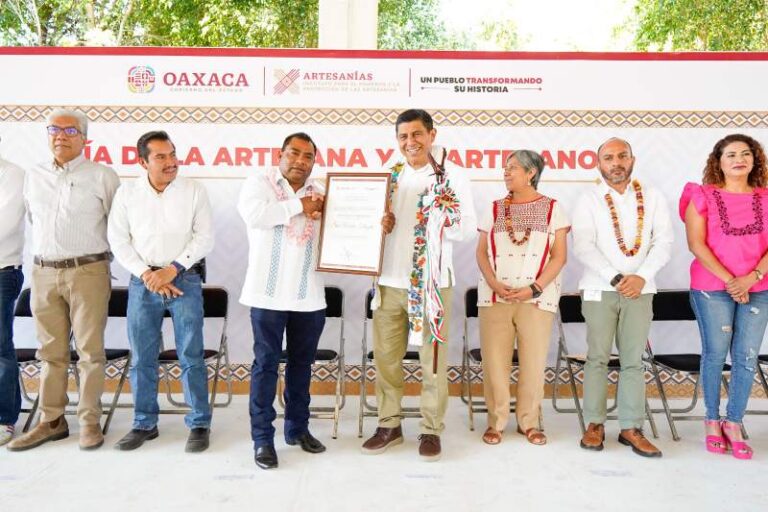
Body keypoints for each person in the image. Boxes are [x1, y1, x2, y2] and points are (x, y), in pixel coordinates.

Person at [361, 109, 477, 461]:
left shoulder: (452, 176)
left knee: (433, 361)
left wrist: (437, 217)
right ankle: (389, 424)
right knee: (386, 359)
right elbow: (366, 224)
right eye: (403, 136)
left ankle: (431, 429)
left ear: (431, 135)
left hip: (432, 284)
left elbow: (467, 229)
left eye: (416, 134)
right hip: (388, 281)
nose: (410, 142)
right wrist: (378, 223)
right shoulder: (388, 174)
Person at [9, 109, 120, 451]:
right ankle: (51, 421)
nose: (60, 136)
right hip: (43, 272)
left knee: (89, 352)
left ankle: (89, 422)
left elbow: (118, 226)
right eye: (54, 129)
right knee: (50, 353)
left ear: (84, 138)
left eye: (70, 130)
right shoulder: (33, 176)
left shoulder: (102, 175)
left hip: (88, 271)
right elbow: (32, 220)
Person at [108, 130, 214, 453]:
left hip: (185, 280)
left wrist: (172, 269)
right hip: (143, 284)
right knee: (142, 356)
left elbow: (204, 237)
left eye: (172, 155)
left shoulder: (194, 190)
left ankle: (199, 423)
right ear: (143, 162)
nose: (171, 162)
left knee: (191, 354)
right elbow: (118, 240)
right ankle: (144, 423)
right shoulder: (127, 193)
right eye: (161, 157)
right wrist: (148, 274)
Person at [571, 137, 672, 458]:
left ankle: (631, 427)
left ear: (632, 160)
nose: (616, 162)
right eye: (609, 157)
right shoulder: (588, 199)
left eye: (622, 156)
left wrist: (641, 276)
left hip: (641, 289)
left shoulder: (653, 197)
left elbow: (664, 242)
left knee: (633, 360)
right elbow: (583, 245)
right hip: (599, 288)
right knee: (597, 358)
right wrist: (616, 278)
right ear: (599, 163)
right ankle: (594, 424)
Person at [239, 132, 327, 470]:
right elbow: (255, 215)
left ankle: (297, 429)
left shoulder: (322, 192)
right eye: (294, 153)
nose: (300, 161)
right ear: (280, 154)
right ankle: (263, 439)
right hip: (267, 294)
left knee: (302, 366)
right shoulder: (258, 184)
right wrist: (300, 207)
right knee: (265, 365)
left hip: (309, 295)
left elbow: (343, 229)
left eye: (308, 156)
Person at [680, 133, 768, 460]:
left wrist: (751, 278)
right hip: (712, 287)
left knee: (746, 357)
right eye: (730, 154)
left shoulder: (766, 198)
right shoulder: (701, 195)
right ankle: (711, 421)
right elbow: (696, 244)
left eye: (746, 154)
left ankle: (734, 423)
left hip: (759, 287)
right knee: (715, 354)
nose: (738, 159)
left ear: (755, 160)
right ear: (718, 161)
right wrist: (732, 281)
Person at [475, 150, 569, 446]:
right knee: (494, 363)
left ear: (531, 173)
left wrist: (534, 288)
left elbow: (559, 256)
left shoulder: (553, 209)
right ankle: (496, 422)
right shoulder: (494, 209)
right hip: (495, 298)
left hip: (537, 299)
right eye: (505, 167)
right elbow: (481, 252)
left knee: (533, 363)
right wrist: (493, 283)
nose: (506, 172)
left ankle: (529, 422)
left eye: (513, 167)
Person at [0, 139, 26, 446]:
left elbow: (5, 225)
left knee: (0, 347)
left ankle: (4, 418)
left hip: (2, 271)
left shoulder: (12, 175)